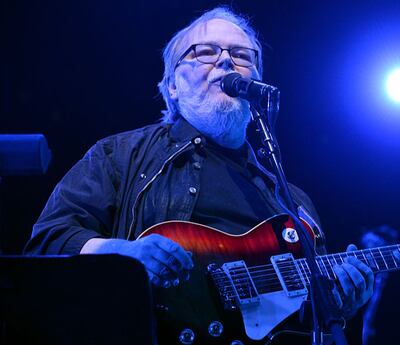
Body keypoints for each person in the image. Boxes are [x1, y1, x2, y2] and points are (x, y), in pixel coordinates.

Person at [24, 6, 373, 344]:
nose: (225, 61)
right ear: (172, 86)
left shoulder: (291, 202)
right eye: (205, 52)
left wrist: (342, 305)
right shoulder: (119, 155)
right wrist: (124, 255)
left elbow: (305, 321)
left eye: (241, 55)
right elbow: (48, 241)